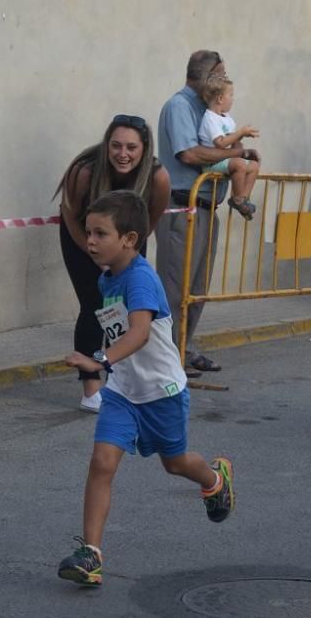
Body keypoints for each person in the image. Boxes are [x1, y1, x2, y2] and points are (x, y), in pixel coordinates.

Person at [56, 190, 235, 586]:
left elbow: (137, 334)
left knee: (175, 463)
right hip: (123, 391)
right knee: (102, 462)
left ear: (129, 239)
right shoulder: (108, 278)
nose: (90, 241)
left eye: (100, 233)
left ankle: (214, 480)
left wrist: (99, 361)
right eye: (88, 232)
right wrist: (110, 369)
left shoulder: (140, 279)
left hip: (161, 392)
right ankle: (92, 555)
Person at [54, 115, 170, 413]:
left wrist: (129, 251)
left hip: (127, 239)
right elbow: (69, 213)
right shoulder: (85, 171)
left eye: (131, 147)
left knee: (126, 309)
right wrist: (93, 250)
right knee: (94, 304)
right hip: (82, 235)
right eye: (116, 145)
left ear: (144, 149)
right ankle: (91, 386)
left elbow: (149, 221)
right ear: (107, 145)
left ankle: (122, 375)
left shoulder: (158, 177)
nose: (123, 154)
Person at [156, 50, 261, 376]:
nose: (224, 82)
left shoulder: (208, 109)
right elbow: (189, 154)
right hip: (182, 206)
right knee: (176, 288)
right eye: (220, 74)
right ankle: (166, 356)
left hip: (206, 205)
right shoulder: (179, 106)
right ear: (204, 75)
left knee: (197, 288)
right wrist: (236, 151)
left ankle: (184, 348)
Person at [198, 73, 261, 220]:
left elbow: (234, 142)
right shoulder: (210, 118)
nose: (233, 99)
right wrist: (241, 132)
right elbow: (220, 143)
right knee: (239, 164)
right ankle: (238, 198)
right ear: (220, 99)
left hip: (226, 161)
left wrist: (241, 143)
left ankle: (243, 199)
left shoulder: (228, 119)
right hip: (212, 162)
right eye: (231, 95)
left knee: (253, 166)